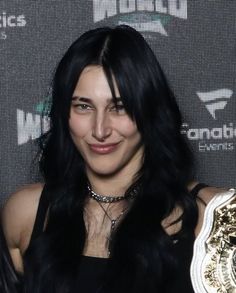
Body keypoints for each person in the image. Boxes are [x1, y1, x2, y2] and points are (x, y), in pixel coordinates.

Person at [1, 25, 218, 293]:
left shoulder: (212, 215)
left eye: (119, 107)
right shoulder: (26, 214)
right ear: (63, 113)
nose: (100, 130)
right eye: (83, 106)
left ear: (149, 110)